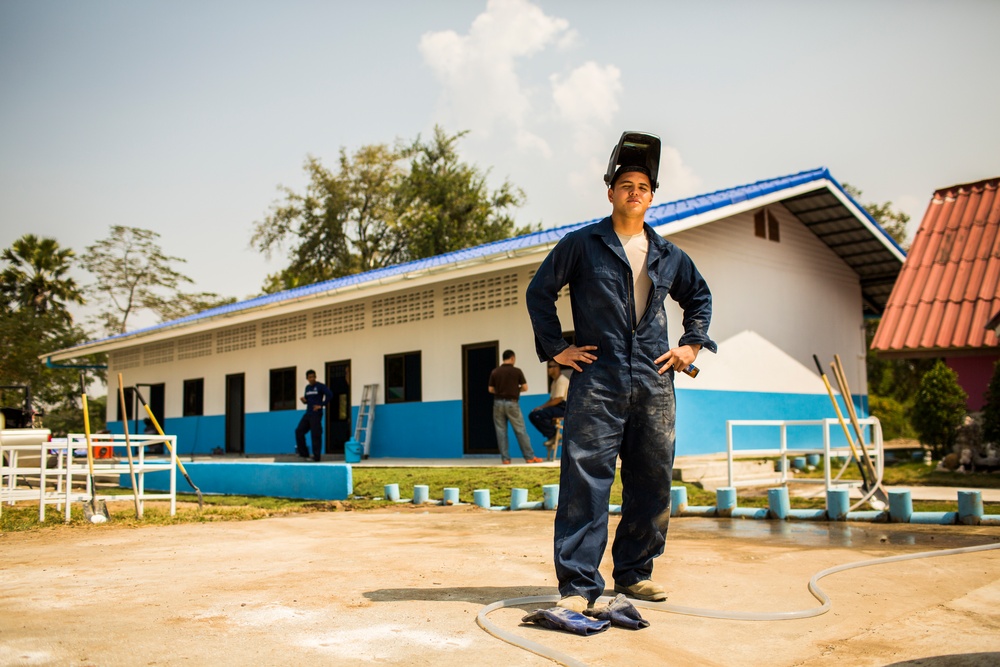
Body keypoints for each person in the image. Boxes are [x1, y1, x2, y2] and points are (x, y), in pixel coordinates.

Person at [525, 151, 716, 613]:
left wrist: (691, 345)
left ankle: (634, 574)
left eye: (643, 187)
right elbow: (540, 292)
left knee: (651, 479)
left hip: (654, 379)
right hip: (597, 378)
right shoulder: (583, 244)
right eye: (626, 184)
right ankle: (578, 584)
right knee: (585, 481)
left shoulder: (669, 255)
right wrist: (557, 349)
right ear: (610, 192)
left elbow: (700, 298)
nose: (635, 192)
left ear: (652, 197)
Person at [488, 350, 544, 464]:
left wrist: (500, 391)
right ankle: (529, 457)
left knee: (501, 432)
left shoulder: (495, 372)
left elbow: (490, 389)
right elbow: (525, 387)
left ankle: (505, 459)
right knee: (520, 430)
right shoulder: (516, 371)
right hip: (512, 403)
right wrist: (515, 389)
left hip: (497, 403)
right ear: (512, 358)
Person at [294, 369, 333, 461]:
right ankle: (304, 454)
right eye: (310, 377)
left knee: (315, 435)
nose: (312, 379)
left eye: (313, 377)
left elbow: (330, 395)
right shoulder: (307, 388)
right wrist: (304, 401)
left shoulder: (320, 386)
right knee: (299, 431)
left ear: (315, 377)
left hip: (316, 414)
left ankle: (316, 457)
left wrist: (321, 405)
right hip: (308, 413)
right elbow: (308, 401)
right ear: (307, 378)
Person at [529, 362, 569, 450]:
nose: (548, 369)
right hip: (557, 406)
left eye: (550, 367)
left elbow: (558, 399)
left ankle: (554, 435)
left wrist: (541, 408)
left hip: (564, 408)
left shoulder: (562, 380)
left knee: (538, 415)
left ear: (557, 368)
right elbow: (552, 400)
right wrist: (540, 407)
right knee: (534, 414)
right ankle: (553, 435)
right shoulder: (554, 382)